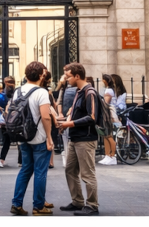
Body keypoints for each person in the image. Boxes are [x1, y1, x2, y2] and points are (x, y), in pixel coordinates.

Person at [10, 61, 54, 216]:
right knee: (40, 171)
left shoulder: (18, 91)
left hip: (23, 136)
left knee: (25, 170)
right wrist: (49, 137)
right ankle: (38, 206)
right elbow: (45, 117)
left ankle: (16, 203)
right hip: (39, 136)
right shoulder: (41, 92)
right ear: (41, 75)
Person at [58, 62, 99, 215]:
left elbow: (92, 117)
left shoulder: (90, 92)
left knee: (87, 173)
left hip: (85, 139)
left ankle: (92, 205)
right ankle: (77, 202)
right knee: (70, 170)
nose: (66, 79)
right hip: (75, 138)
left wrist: (70, 123)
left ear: (77, 76)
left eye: (68, 76)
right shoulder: (78, 91)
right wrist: (64, 122)